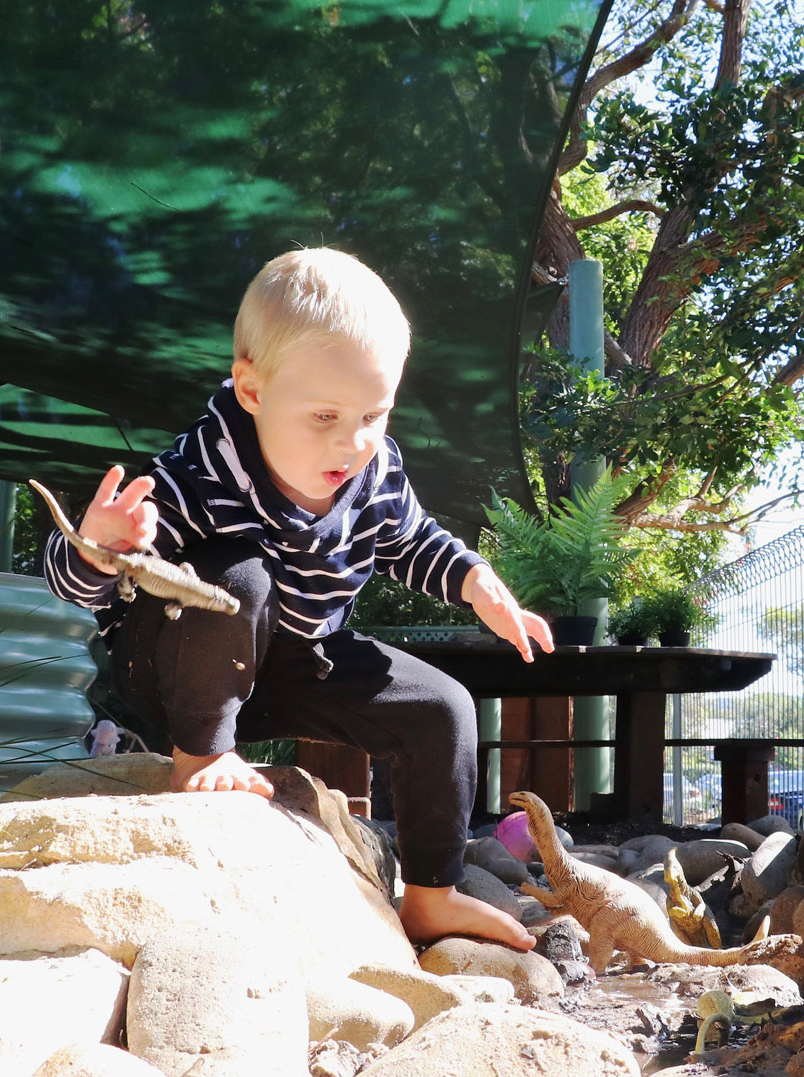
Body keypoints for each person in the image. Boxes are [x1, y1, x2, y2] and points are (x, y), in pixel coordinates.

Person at [43, 247, 551, 950]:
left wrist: (474, 581)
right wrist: (97, 545)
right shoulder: (195, 474)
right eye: (324, 416)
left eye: (375, 414)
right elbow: (74, 591)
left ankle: (432, 895)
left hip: (290, 663)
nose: (353, 440)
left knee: (444, 709)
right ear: (252, 392)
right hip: (173, 671)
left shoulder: (371, 469)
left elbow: (412, 538)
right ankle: (200, 758)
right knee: (237, 579)